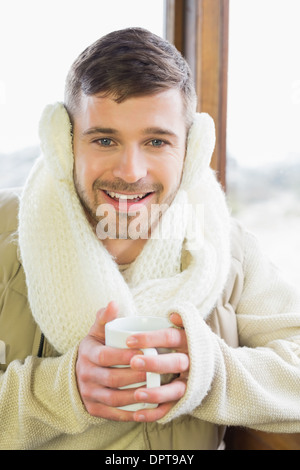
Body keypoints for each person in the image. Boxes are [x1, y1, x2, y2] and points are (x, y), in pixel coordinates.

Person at [0, 27, 300, 451]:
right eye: (104, 139)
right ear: (64, 143)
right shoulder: (3, 229)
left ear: (191, 151)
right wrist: (58, 392)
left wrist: (211, 374)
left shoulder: (226, 247)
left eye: (156, 141)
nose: (130, 171)